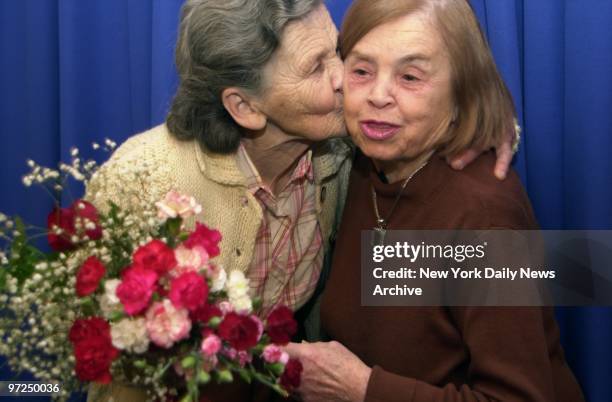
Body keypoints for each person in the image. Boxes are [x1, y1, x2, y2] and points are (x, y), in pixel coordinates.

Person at [85, 1, 515, 401]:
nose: (345, 78)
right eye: (315, 67)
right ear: (245, 107)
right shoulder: (143, 181)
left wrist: (481, 118)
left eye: (338, 52)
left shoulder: (348, 151)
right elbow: (98, 343)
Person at [285, 1, 586, 401]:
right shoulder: (366, 162)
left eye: (410, 77)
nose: (378, 95)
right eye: (361, 70)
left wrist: (363, 389)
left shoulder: (484, 217)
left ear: (461, 90)